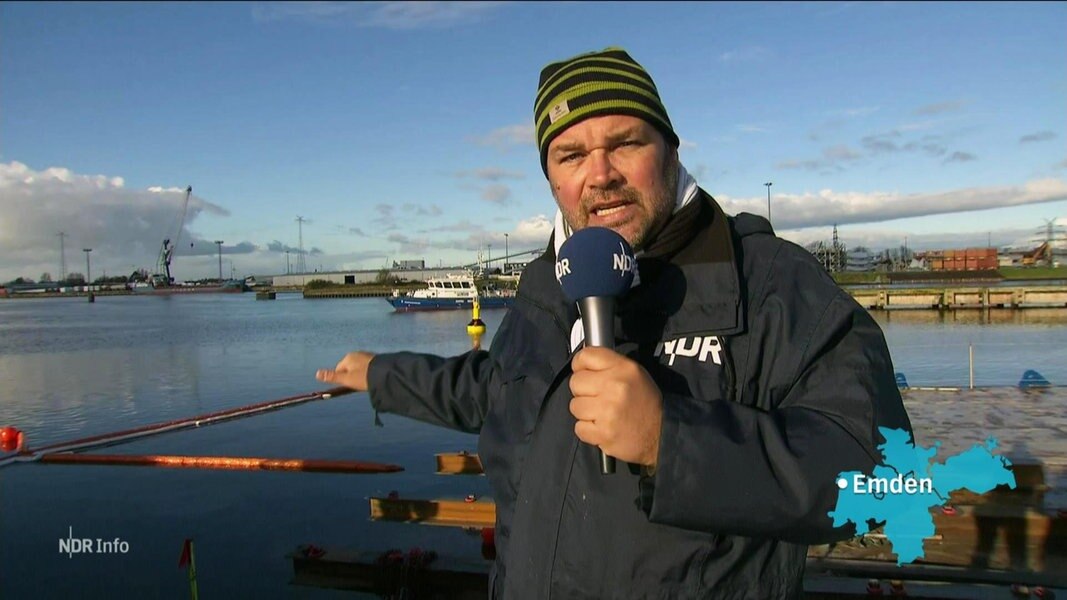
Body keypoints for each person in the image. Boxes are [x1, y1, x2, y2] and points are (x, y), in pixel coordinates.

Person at [317, 47, 912, 599]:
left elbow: (883, 475)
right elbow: (497, 390)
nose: (599, 175)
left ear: (671, 151)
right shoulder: (546, 283)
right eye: (571, 155)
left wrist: (671, 442)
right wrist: (381, 375)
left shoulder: (774, 284)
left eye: (625, 143)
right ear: (551, 178)